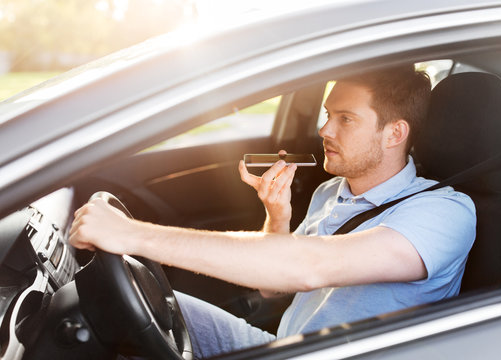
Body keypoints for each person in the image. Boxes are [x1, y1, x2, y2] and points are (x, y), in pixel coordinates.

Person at [69, 65, 476, 359]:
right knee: (156, 305)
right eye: (328, 115)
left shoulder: (445, 212)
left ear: (394, 133)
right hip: (279, 345)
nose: (325, 130)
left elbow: (310, 267)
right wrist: (276, 218)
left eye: (345, 119)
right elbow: (275, 289)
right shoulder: (331, 190)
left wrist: (131, 235)